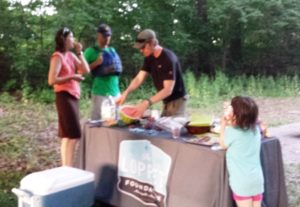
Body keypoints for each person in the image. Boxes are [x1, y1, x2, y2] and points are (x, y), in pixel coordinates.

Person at [117, 29, 187, 118]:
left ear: (152, 43)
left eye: (143, 47)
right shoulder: (149, 57)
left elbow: (168, 90)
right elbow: (139, 78)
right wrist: (126, 92)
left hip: (177, 101)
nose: (141, 51)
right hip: (165, 101)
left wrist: (146, 103)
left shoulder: (168, 59)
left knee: (172, 128)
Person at [48, 27, 90, 166]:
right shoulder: (57, 56)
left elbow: (86, 70)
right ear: (64, 39)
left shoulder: (71, 55)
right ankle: (68, 168)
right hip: (64, 96)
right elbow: (52, 80)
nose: (74, 39)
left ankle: (66, 167)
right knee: (74, 134)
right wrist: (72, 76)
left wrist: (80, 52)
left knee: (68, 135)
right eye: (71, 36)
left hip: (73, 96)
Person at [219, 96, 264, 207]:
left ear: (235, 115)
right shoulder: (256, 130)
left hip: (241, 182)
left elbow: (223, 144)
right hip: (257, 181)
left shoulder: (232, 131)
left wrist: (223, 125)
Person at [84, 23, 122, 121]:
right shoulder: (90, 51)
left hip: (116, 92)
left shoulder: (112, 50)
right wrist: (96, 63)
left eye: (109, 36)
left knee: (115, 122)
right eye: (104, 36)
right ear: (98, 35)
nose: (107, 38)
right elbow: (80, 70)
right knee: (97, 122)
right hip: (100, 92)